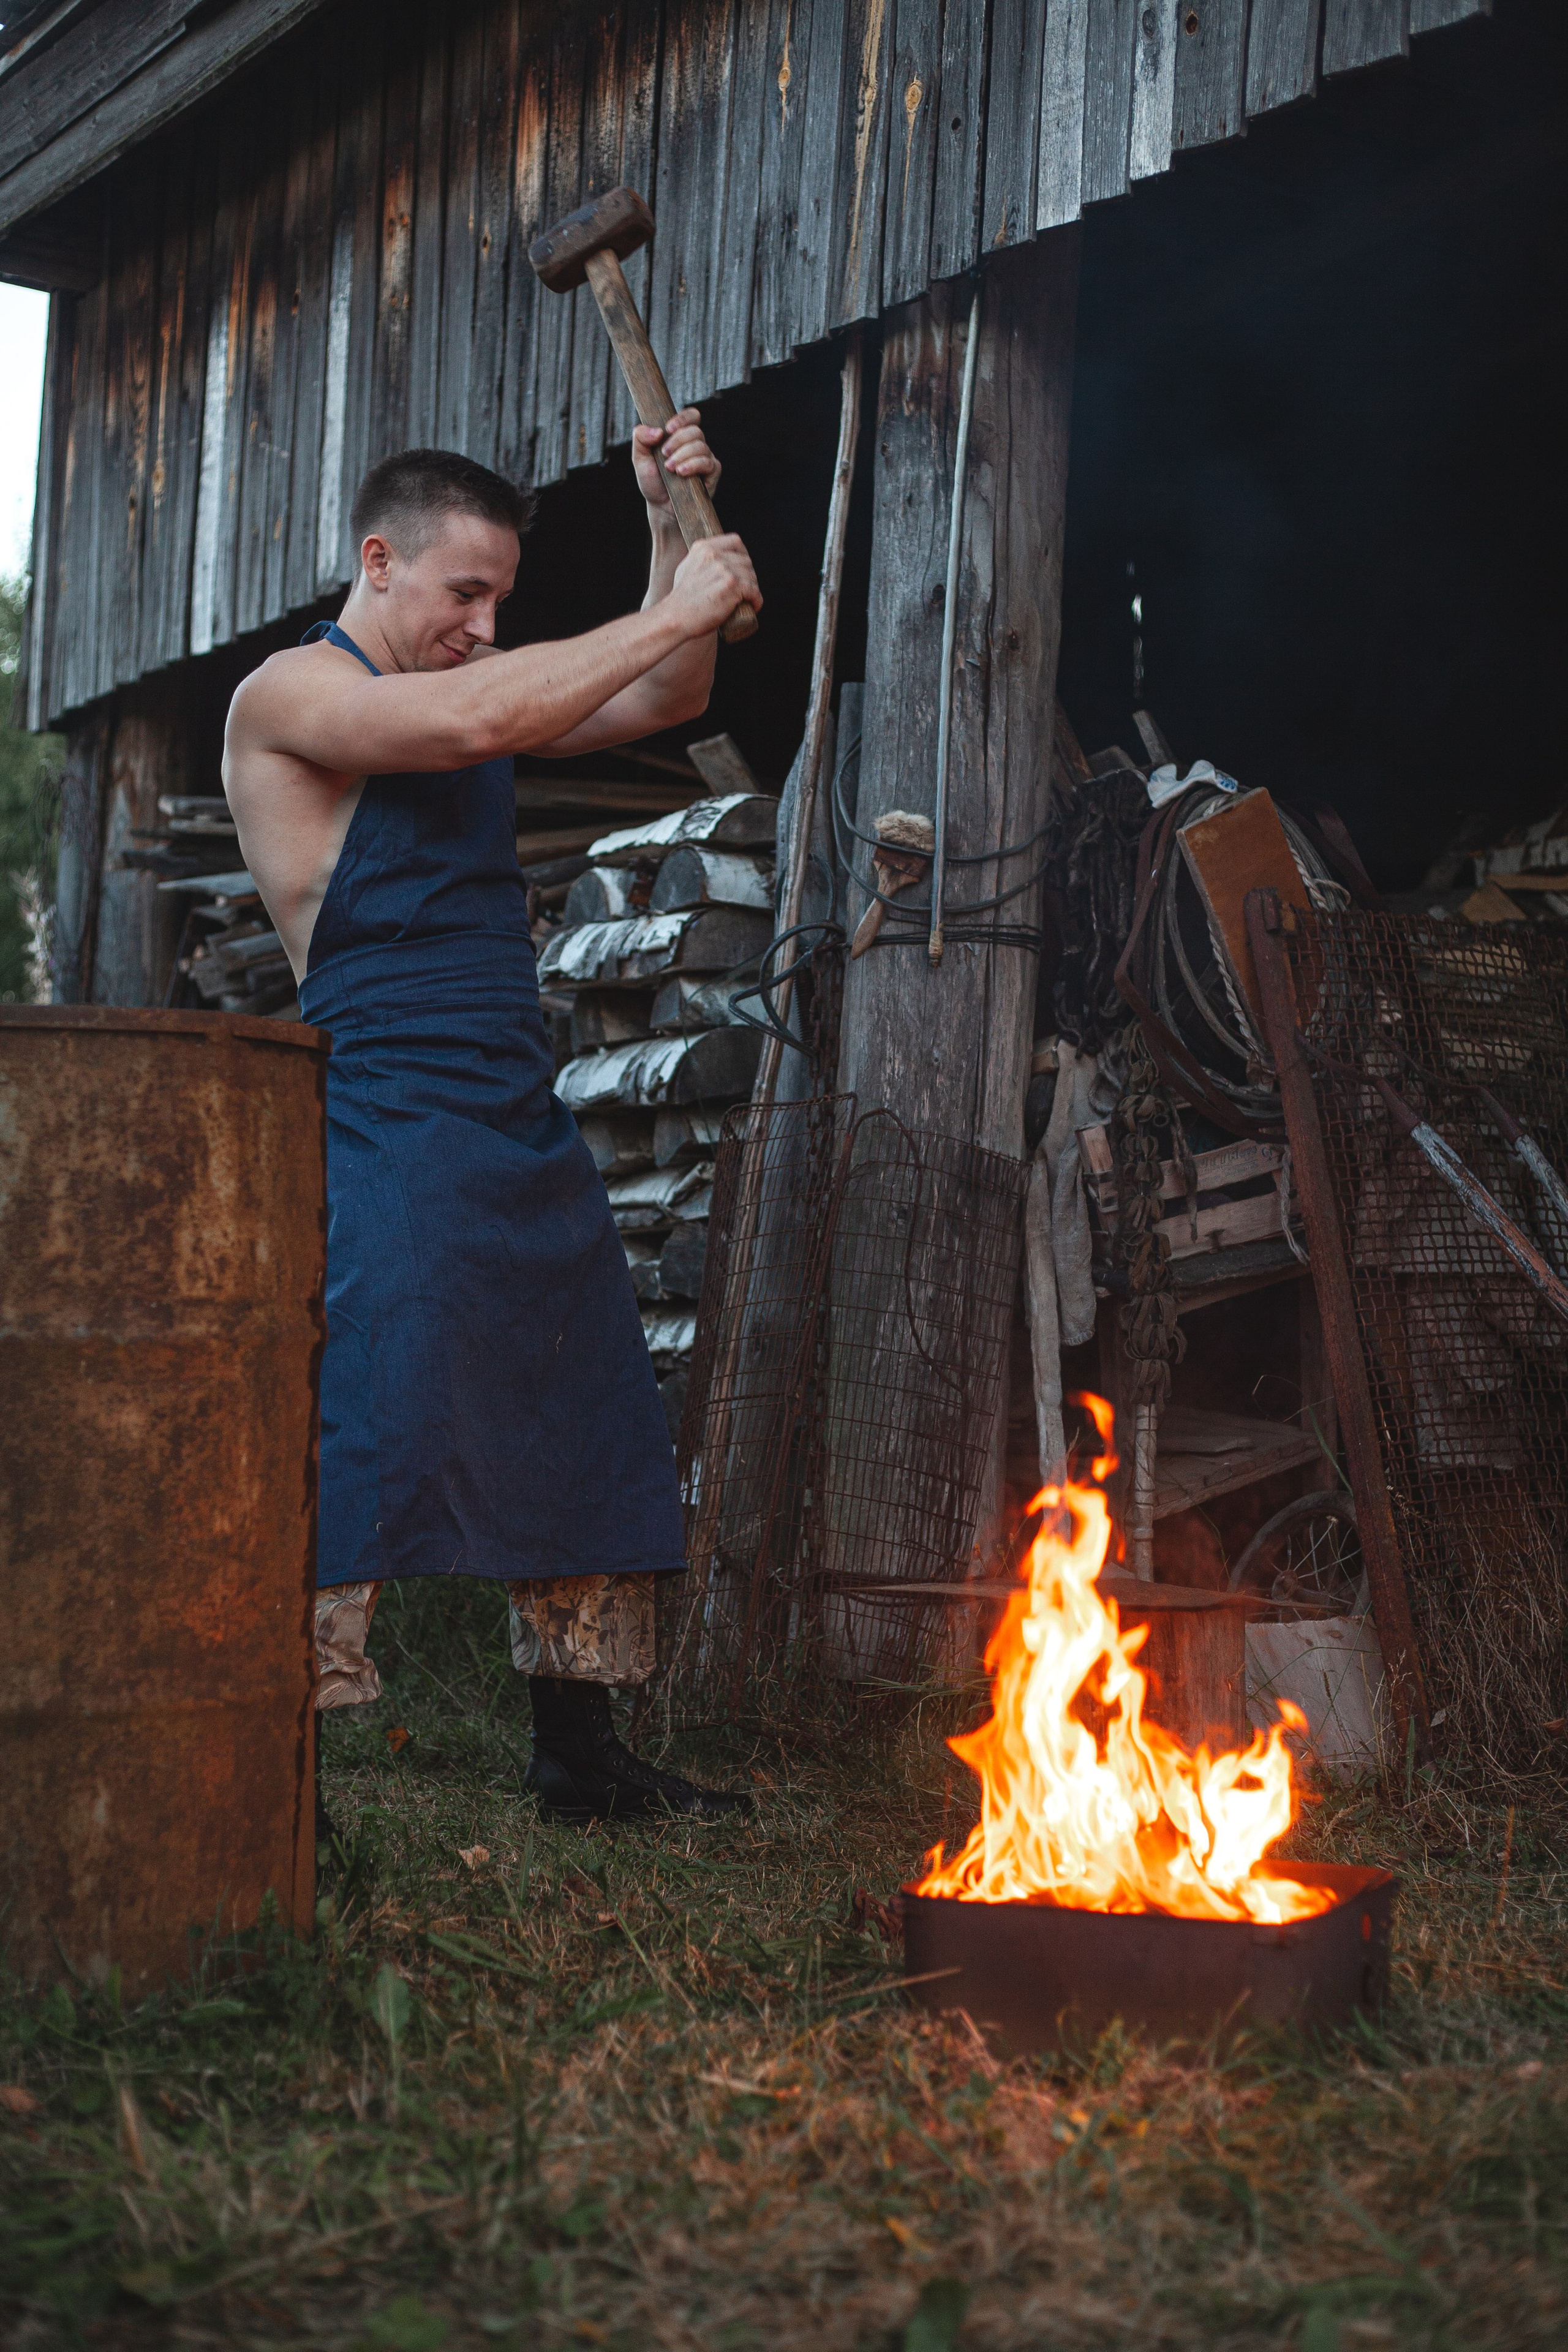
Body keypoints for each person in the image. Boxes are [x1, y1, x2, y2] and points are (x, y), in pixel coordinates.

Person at [223, 411, 761, 1828]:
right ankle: (282, 1771)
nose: (483, 625)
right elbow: (479, 717)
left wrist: (666, 527)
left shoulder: (472, 687)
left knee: (581, 1395)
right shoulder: (292, 696)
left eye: (502, 603)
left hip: (510, 1108)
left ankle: (576, 1759)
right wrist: (678, 600)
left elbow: (667, 693)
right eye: (464, 593)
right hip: (383, 1120)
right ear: (377, 559)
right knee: (361, 1417)